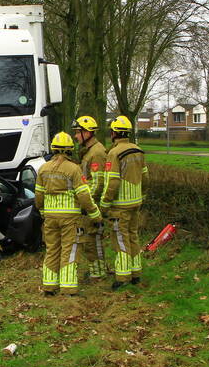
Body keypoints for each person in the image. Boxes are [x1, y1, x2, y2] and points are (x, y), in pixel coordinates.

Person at [36, 132, 101, 295]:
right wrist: (95, 214)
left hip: (50, 218)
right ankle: (68, 288)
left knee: (51, 250)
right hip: (70, 218)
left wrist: (43, 210)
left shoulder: (43, 169)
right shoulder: (74, 169)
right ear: (69, 150)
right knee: (69, 250)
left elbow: (38, 195)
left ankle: (49, 287)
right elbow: (84, 195)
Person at [100, 116, 148, 289]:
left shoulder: (114, 153)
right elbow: (145, 177)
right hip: (136, 203)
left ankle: (122, 277)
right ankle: (136, 274)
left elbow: (112, 182)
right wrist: (142, 194)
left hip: (120, 206)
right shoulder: (138, 151)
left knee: (120, 239)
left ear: (113, 133)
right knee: (133, 236)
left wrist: (104, 204)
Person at [72, 115, 109, 280]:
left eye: (78, 132)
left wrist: (88, 205)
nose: (75, 136)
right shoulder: (89, 151)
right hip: (89, 204)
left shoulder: (97, 153)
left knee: (93, 240)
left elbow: (97, 183)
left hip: (92, 205)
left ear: (87, 133)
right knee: (90, 240)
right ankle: (97, 270)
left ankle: (98, 272)